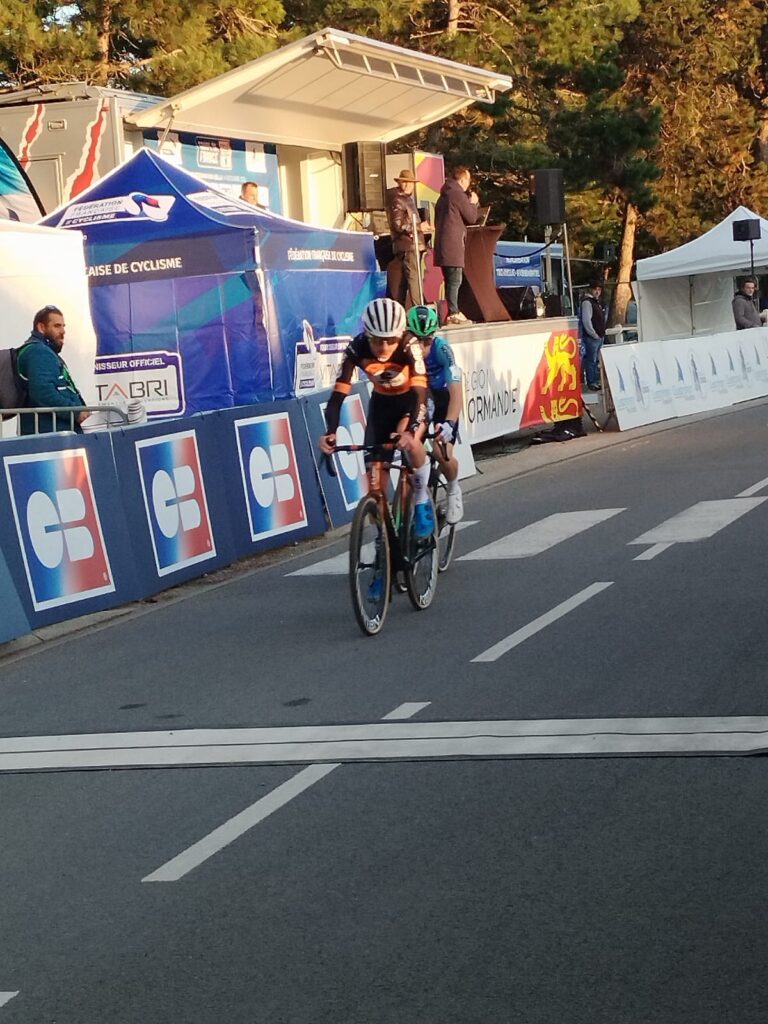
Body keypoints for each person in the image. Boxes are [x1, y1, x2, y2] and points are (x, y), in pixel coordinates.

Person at [319, 297, 434, 540]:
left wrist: (410, 430)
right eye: (377, 340)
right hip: (381, 406)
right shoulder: (357, 348)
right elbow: (337, 396)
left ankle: (422, 499)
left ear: (399, 336)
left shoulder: (409, 345)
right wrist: (330, 431)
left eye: (390, 340)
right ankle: (384, 544)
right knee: (374, 486)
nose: (383, 346)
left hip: (411, 402)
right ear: (366, 335)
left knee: (412, 442)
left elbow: (420, 394)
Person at [405, 304, 464, 524]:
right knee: (410, 447)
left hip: (442, 397)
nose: (421, 347)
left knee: (441, 453)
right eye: (417, 340)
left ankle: (453, 488)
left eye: (427, 341)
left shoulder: (442, 350)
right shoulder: (403, 350)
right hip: (420, 397)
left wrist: (449, 423)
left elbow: (456, 392)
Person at [16, 305, 87, 435]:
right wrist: (76, 412)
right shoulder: (38, 352)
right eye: (57, 326)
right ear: (41, 327)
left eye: (63, 326)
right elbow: (43, 392)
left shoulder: (44, 351)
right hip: (50, 436)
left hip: (54, 433)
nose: (63, 331)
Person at [434, 165, 480, 326]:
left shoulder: (444, 195)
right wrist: (473, 203)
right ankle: (453, 312)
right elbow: (471, 217)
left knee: (450, 279)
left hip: (443, 244)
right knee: (455, 279)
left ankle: (452, 311)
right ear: (462, 180)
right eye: (468, 180)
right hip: (453, 244)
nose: (469, 184)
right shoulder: (457, 194)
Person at [385, 169, 432, 309]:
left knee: (403, 283)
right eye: (404, 182)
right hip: (409, 247)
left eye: (410, 182)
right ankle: (419, 311)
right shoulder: (398, 200)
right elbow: (398, 225)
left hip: (411, 245)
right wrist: (419, 227)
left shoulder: (406, 199)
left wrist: (421, 229)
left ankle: (402, 311)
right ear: (399, 183)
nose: (407, 185)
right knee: (414, 280)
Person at [579, 280, 606, 391]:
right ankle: (592, 382)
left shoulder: (596, 302)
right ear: (591, 289)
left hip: (599, 336)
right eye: (595, 289)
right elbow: (586, 321)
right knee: (591, 360)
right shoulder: (587, 302)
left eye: (599, 289)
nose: (597, 292)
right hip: (593, 337)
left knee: (595, 361)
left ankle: (595, 380)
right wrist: (594, 334)